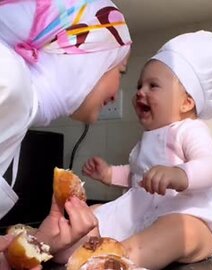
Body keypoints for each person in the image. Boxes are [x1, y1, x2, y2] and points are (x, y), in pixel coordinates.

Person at [58, 31, 212, 269]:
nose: (140, 92)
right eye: (139, 85)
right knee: (94, 212)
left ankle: (118, 260)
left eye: (153, 85)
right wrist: (110, 174)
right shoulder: (147, 139)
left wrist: (180, 174)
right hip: (144, 217)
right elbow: (139, 177)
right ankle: (67, 250)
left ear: (187, 102)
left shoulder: (190, 130)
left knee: (175, 230)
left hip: (190, 218)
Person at [0, 0, 131, 266]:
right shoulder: (8, 81)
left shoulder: (18, 105)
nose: (117, 93)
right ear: (90, 56)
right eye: (120, 70)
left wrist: (43, 241)